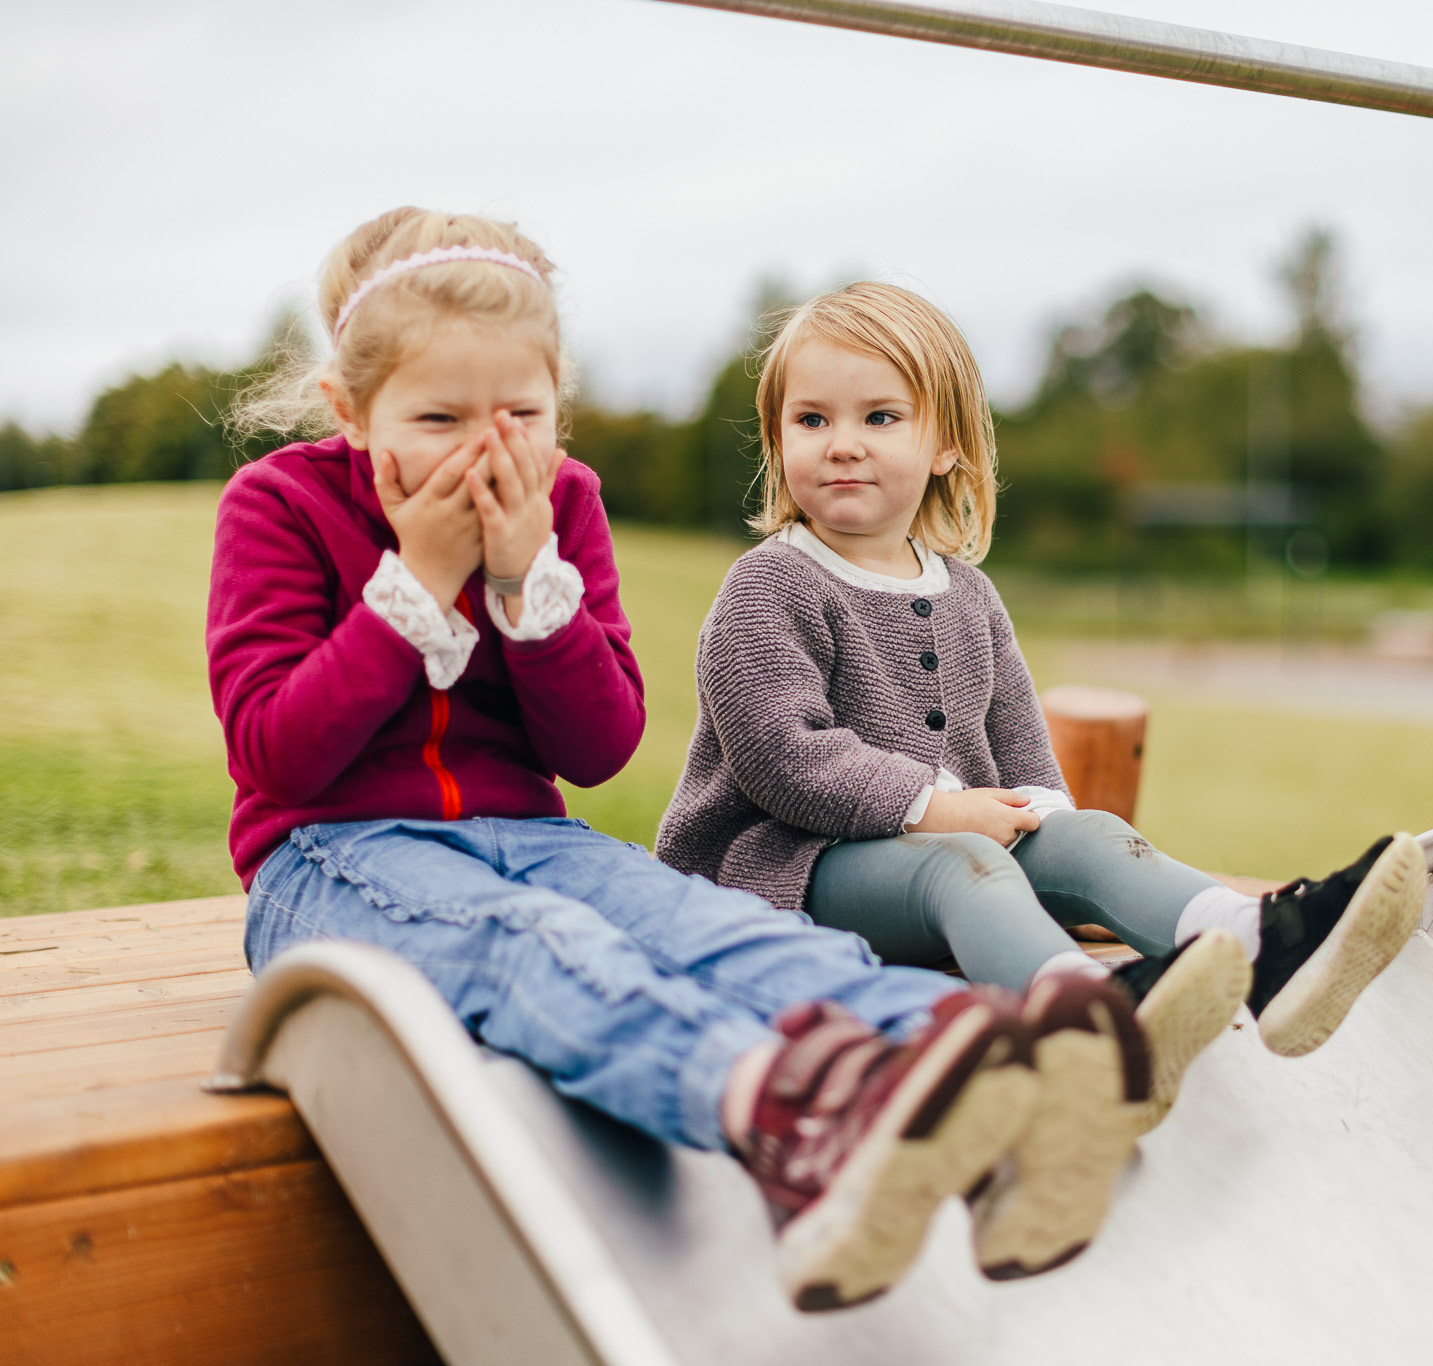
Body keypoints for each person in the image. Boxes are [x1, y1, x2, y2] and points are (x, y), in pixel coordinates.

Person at [210, 208, 1143, 1311]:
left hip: (535, 836)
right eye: (438, 417)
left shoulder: (563, 502)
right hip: (332, 856)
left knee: (707, 927)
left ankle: (981, 1072)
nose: (485, 450)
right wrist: (414, 585)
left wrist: (526, 585)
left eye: (522, 415)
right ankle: (784, 1120)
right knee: (538, 944)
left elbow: (596, 748)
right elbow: (277, 754)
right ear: (351, 411)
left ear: (557, 398)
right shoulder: (280, 506)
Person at [657, 282, 1429, 1151]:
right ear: (777, 438)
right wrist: (936, 808)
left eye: (880, 418)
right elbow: (784, 756)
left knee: (1091, 833)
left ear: (946, 445)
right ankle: (1085, 1027)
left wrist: (1050, 827)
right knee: (964, 864)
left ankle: (1259, 948)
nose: (842, 444)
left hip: (935, 852)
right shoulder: (769, 586)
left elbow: (1018, 738)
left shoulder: (969, 595)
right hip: (782, 872)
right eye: (811, 420)